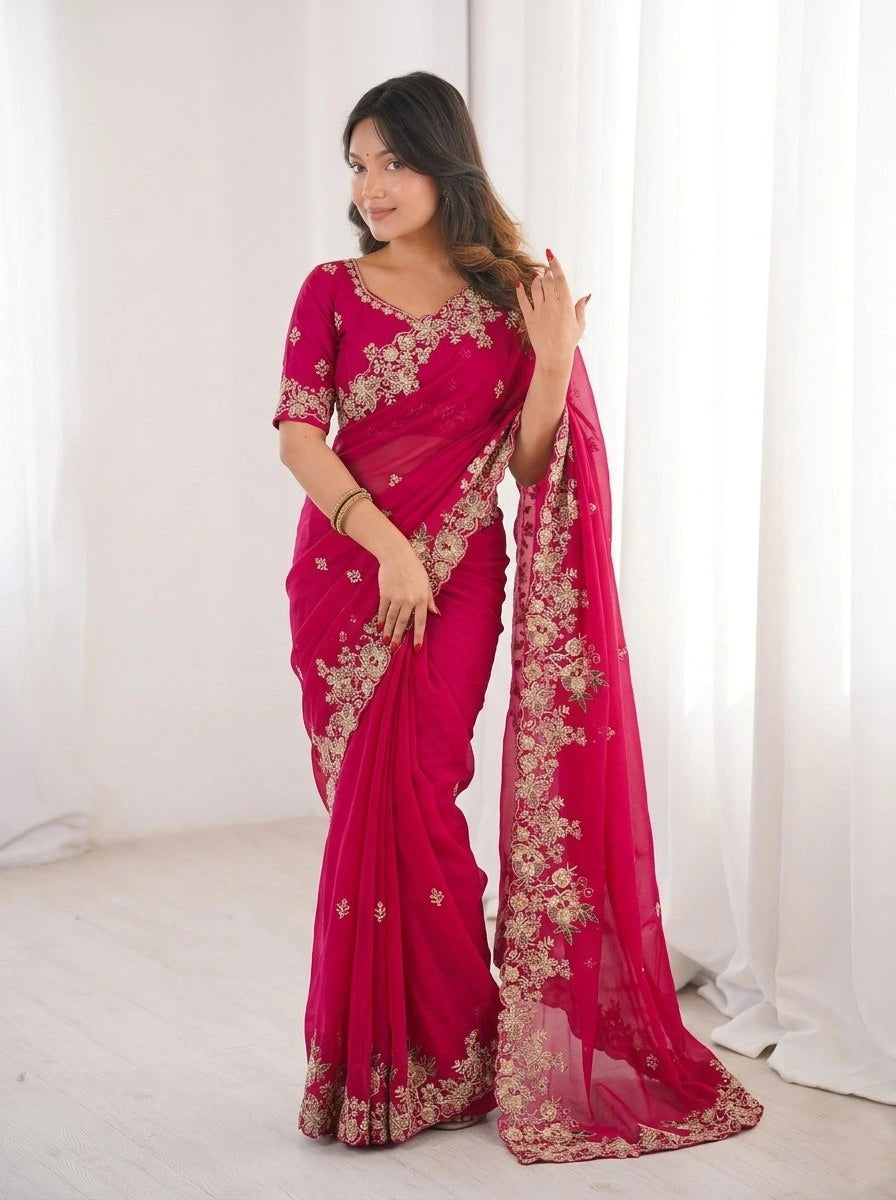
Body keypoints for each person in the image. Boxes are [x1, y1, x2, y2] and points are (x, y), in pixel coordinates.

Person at [273, 70, 763, 1165]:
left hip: (458, 577)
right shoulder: (331, 289)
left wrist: (551, 363)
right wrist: (387, 546)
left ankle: (453, 1053)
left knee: (420, 792)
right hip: (351, 573)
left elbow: (534, 466)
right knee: (368, 807)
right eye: (357, 166)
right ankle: (384, 1064)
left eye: (392, 161)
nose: (370, 186)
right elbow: (301, 436)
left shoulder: (508, 294)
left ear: (442, 162)